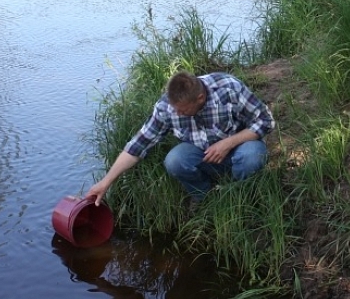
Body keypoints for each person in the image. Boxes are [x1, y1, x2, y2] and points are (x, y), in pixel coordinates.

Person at [86, 71, 275, 204]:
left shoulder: (229, 89)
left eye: (182, 110)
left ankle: (241, 197)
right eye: (175, 108)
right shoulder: (167, 107)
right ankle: (206, 198)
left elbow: (266, 121)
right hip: (203, 155)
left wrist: (228, 143)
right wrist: (106, 182)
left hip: (239, 149)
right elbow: (138, 145)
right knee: (174, 160)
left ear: (200, 98)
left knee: (253, 156)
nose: (177, 113)